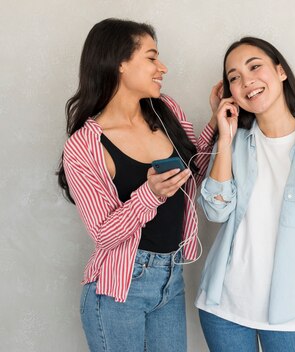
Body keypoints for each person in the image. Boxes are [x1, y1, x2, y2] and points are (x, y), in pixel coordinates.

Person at [57, 18, 216, 351]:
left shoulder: (165, 110)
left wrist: (216, 122)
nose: (163, 67)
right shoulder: (84, 146)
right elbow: (103, 233)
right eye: (152, 57)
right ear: (120, 65)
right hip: (119, 289)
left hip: (171, 280)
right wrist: (150, 194)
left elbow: (193, 175)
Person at [196, 37, 295, 352]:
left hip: (290, 314)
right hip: (222, 307)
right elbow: (215, 211)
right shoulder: (234, 143)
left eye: (255, 66)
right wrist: (224, 139)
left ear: (280, 71)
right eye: (234, 77)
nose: (246, 81)